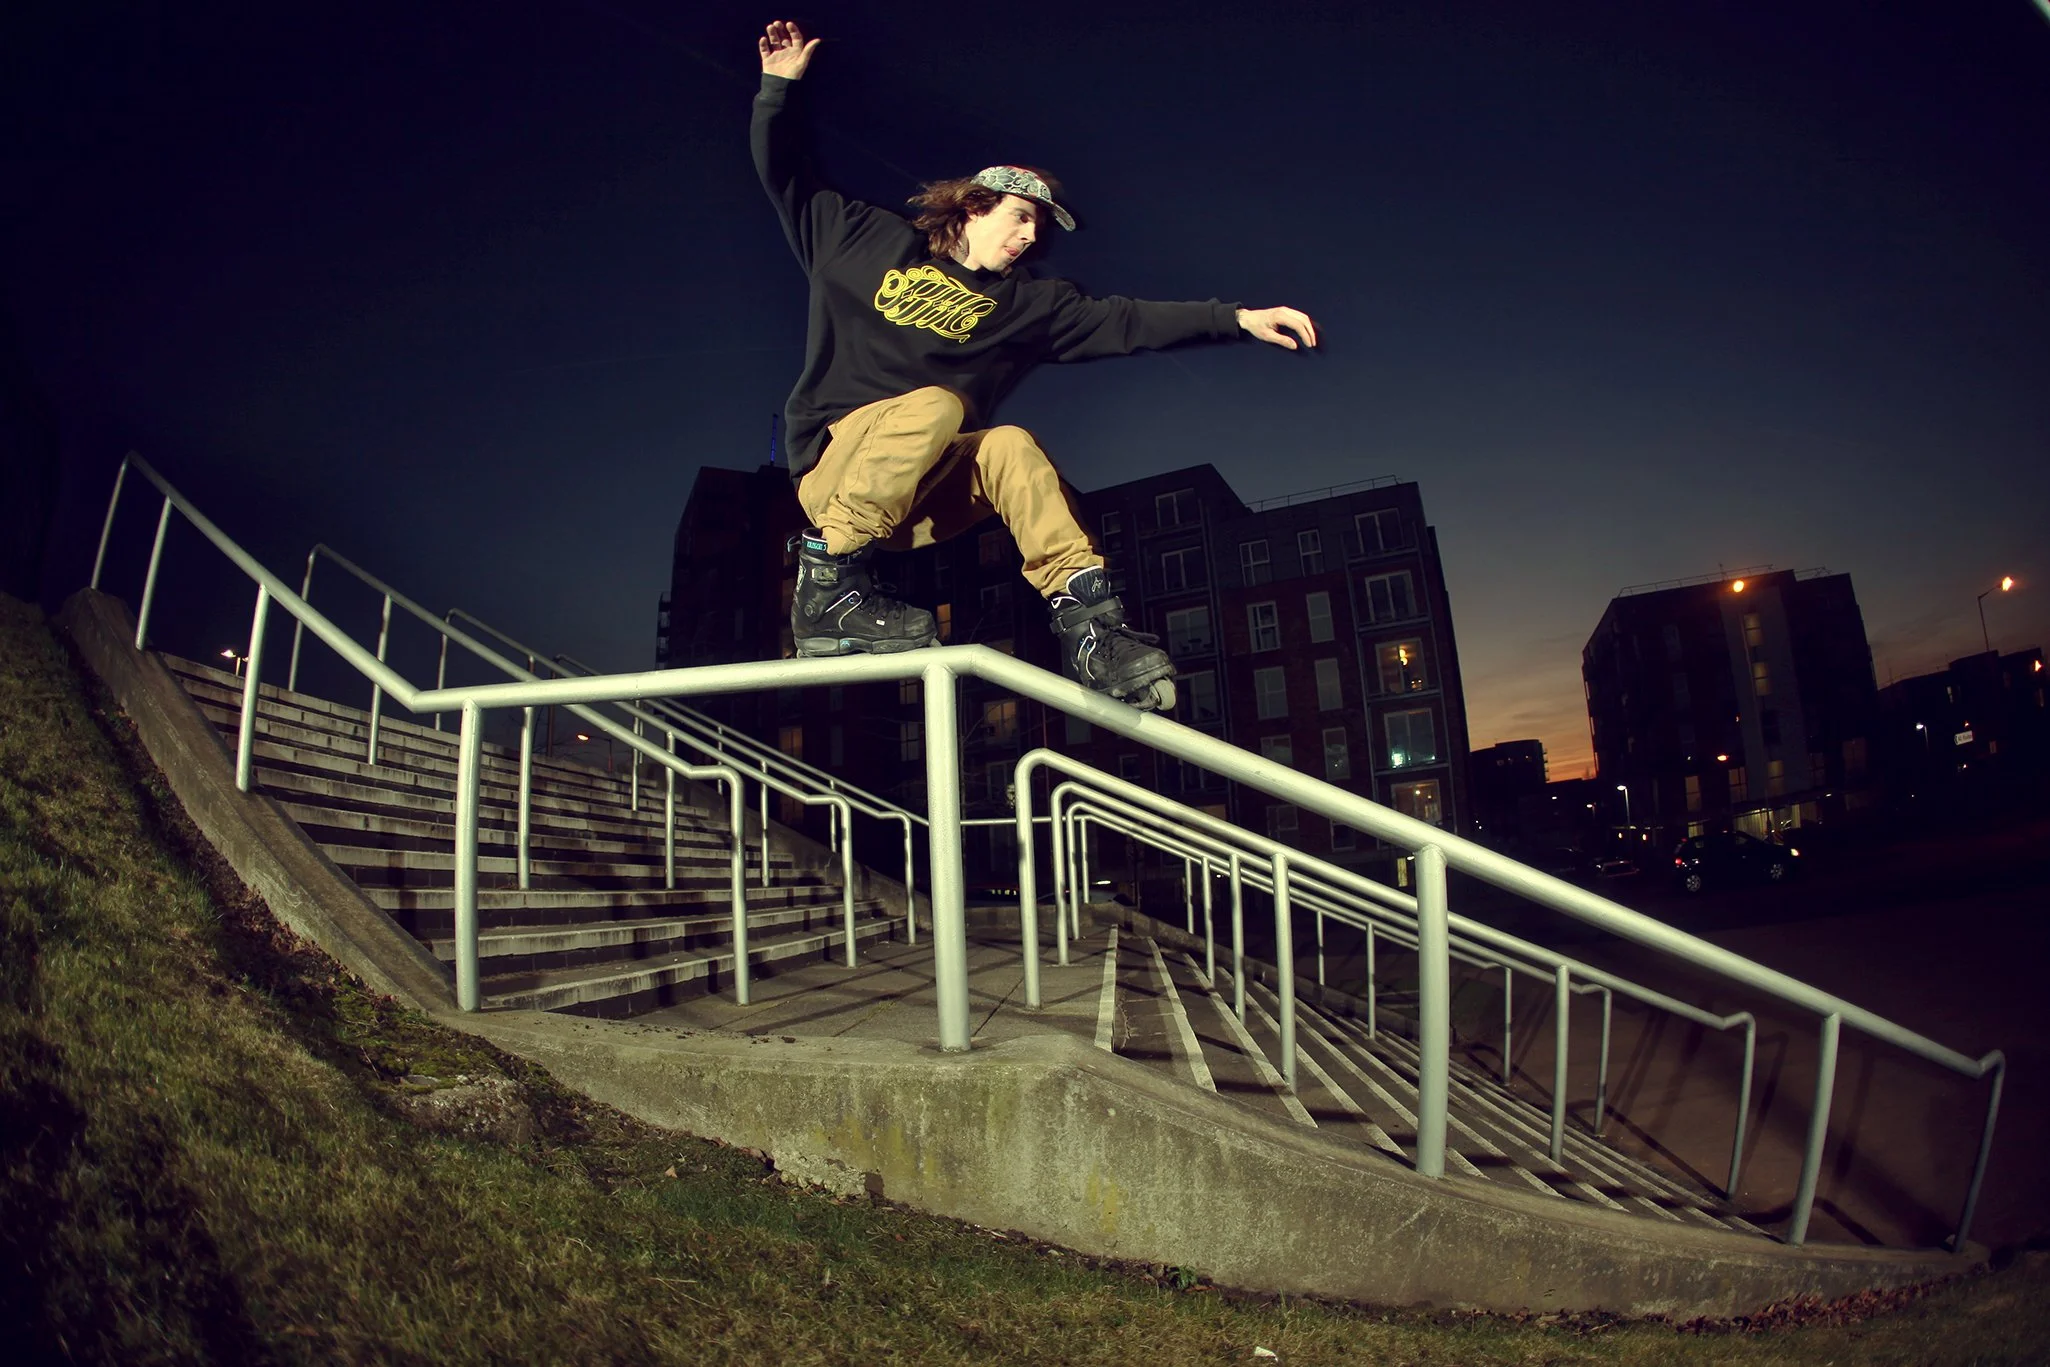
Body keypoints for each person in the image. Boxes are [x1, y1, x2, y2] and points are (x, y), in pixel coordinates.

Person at [754, 19, 1316, 711]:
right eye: (1021, 218)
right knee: (938, 405)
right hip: (833, 478)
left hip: (916, 502)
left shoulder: (1028, 305)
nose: (1029, 237)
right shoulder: (863, 240)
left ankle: (1091, 629)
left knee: (1011, 445)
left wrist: (1235, 319)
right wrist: (777, 90)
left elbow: (1126, 320)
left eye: (1038, 231)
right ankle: (827, 589)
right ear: (973, 205)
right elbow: (790, 180)